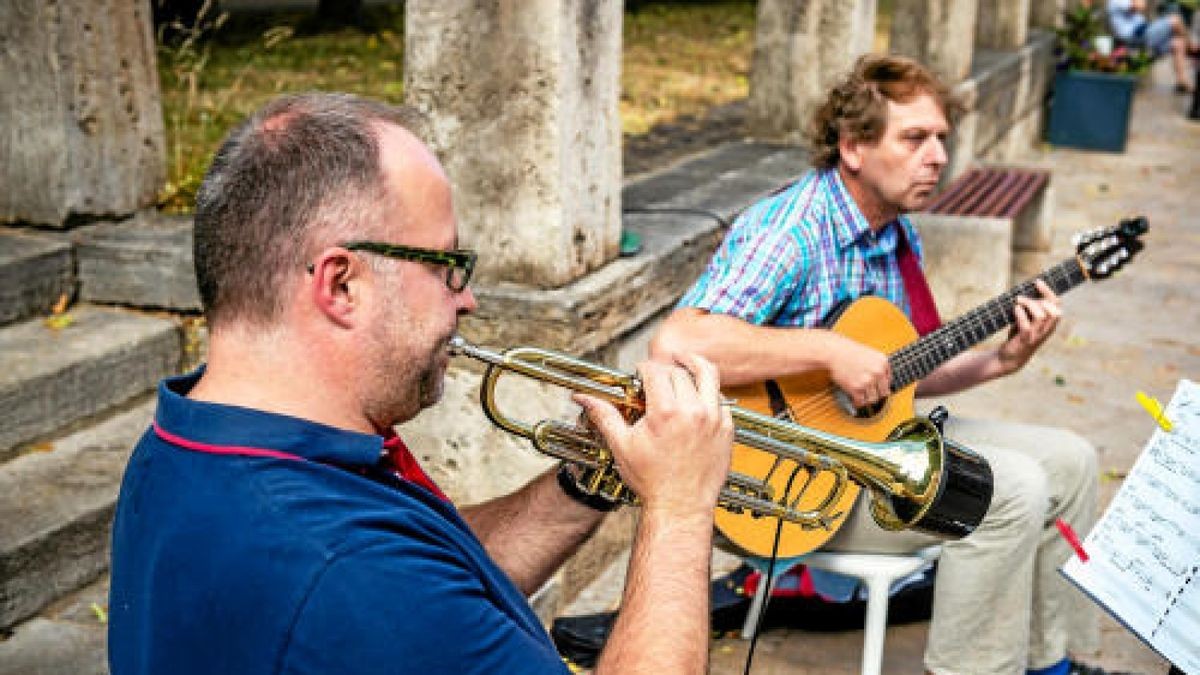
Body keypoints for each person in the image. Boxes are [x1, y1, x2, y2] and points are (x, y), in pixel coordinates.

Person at [107, 92, 734, 674]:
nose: (469, 301)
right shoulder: (345, 572)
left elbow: (440, 581)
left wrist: (588, 481)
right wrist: (681, 506)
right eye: (449, 266)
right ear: (341, 285)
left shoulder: (192, 435)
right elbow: (384, 594)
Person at [651, 55, 1106, 675]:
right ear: (854, 148)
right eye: (915, 138)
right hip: (777, 481)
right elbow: (677, 342)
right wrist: (827, 349)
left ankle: (1044, 663)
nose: (938, 155)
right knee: (1010, 491)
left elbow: (895, 378)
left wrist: (999, 363)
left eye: (942, 137)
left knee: (1072, 461)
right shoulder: (791, 230)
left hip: (867, 447)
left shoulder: (897, 232)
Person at [1108, 0, 1200, 93]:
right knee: (1175, 20)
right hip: (1135, 37)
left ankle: (1182, 82)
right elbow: (1140, 5)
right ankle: (1192, 48)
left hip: (1143, 33)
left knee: (1177, 43)